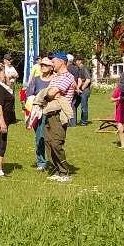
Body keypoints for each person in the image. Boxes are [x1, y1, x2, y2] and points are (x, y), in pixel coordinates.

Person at [44, 52, 76, 182]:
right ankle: (57, 170)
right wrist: (50, 94)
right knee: (48, 142)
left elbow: (51, 93)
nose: (52, 64)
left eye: (54, 61)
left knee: (56, 143)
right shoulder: (56, 77)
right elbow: (50, 93)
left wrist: (49, 94)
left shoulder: (67, 77)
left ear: (62, 62)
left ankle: (64, 172)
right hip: (50, 112)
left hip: (59, 114)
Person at [26, 57, 53, 170]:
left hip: (52, 111)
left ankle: (54, 161)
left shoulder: (54, 79)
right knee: (39, 137)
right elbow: (29, 94)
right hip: (38, 112)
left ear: (51, 68)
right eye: (41, 65)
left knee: (52, 138)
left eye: (45, 65)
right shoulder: (36, 79)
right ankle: (41, 161)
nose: (42, 66)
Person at [74, 57, 92, 126]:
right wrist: (78, 88)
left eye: (76, 61)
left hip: (85, 91)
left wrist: (82, 88)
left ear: (80, 61)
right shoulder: (79, 69)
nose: (76, 62)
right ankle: (73, 121)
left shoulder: (84, 68)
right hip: (80, 90)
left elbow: (88, 80)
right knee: (74, 105)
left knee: (84, 106)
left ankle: (84, 122)